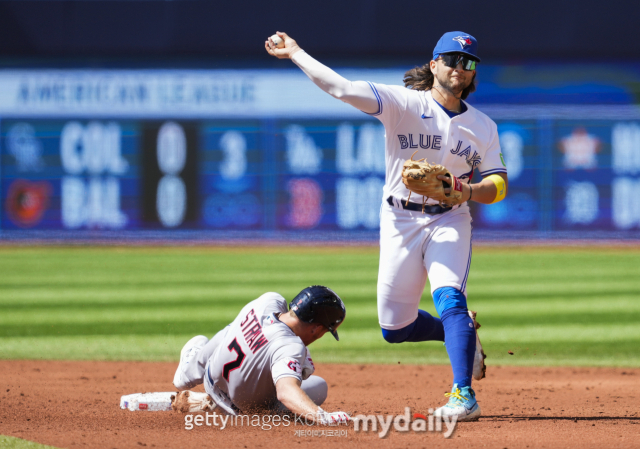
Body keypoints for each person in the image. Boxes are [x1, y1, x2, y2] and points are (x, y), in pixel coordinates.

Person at [266, 31, 508, 421]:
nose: (460, 68)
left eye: (468, 63)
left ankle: (463, 395)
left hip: (449, 219)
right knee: (395, 329)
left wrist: (467, 191)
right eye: (451, 60)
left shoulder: (483, 126)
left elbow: (498, 183)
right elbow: (341, 88)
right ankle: (458, 334)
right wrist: (295, 52)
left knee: (450, 298)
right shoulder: (402, 103)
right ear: (434, 65)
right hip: (399, 219)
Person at [172, 286, 350, 424]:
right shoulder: (291, 347)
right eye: (326, 330)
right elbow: (286, 392)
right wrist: (323, 417)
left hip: (211, 381)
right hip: (242, 410)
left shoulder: (268, 301)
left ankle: (189, 371)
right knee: (319, 386)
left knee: (233, 329)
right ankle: (250, 413)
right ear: (317, 328)